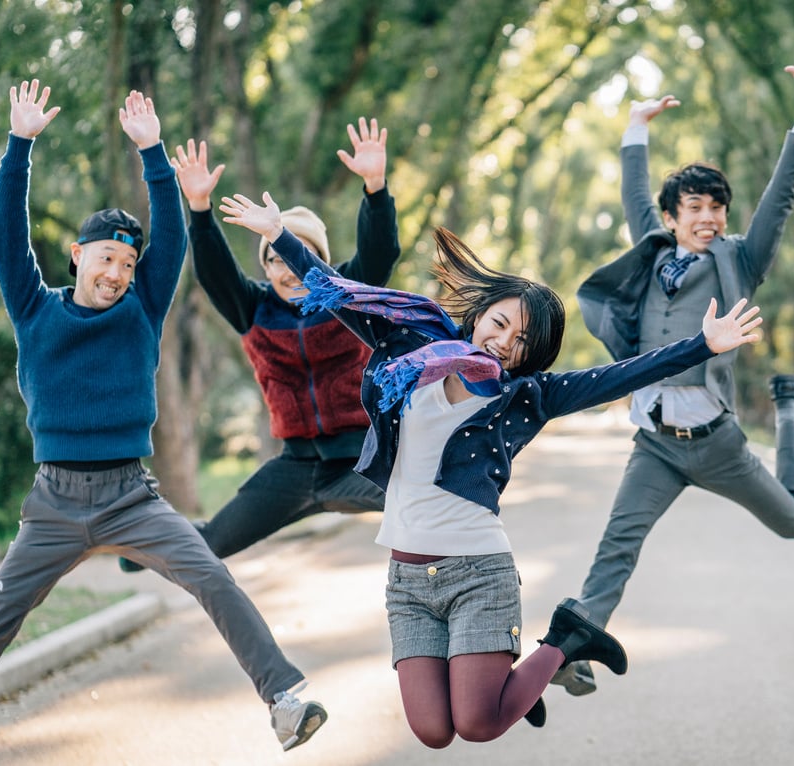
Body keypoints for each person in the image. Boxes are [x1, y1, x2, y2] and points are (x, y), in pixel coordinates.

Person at [218, 189, 764, 746]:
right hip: (407, 580)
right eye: (500, 324)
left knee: (477, 723)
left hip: (479, 570)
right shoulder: (412, 342)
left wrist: (701, 346)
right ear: (479, 314)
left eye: (522, 341)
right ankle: (511, 683)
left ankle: (566, 641)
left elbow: (620, 375)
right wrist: (278, 235)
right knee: (432, 730)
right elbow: (339, 295)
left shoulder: (527, 395)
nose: (504, 343)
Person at [0, 80, 325, 753]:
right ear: (77, 256)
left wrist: (153, 153)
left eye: (127, 262)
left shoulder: (141, 309)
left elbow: (172, 238)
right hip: (54, 505)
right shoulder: (35, 309)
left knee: (210, 573)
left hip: (129, 495)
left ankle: (285, 699)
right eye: (106, 258)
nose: (117, 272)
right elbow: (7, 233)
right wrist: (19, 145)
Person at [555, 62, 794, 696]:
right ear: (673, 216)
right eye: (695, 208)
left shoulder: (739, 259)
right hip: (655, 444)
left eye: (717, 207)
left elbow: (783, 194)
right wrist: (635, 128)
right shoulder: (652, 251)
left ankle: (793, 406)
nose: (709, 217)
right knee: (618, 545)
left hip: (717, 443)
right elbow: (634, 198)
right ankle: (576, 647)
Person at [118, 118, 396, 574]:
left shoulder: (348, 294)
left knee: (426, 499)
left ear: (319, 259)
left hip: (361, 460)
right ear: (265, 268)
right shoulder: (254, 309)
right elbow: (215, 274)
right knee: (214, 540)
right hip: (295, 467)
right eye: (275, 260)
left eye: (297, 255)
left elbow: (380, 252)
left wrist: (374, 186)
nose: (288, 270)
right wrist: (201, 209)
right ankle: (141, 549)